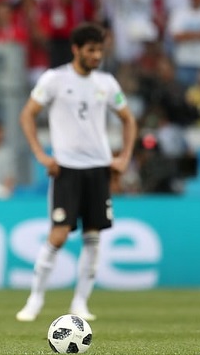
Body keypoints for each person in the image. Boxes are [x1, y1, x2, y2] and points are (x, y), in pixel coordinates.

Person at [16, 23, 137, 322]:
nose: (97, 56)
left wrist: (124, 158)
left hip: (99, 168)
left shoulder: (107, 83)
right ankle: (35, 299)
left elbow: (128, 119)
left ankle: (80, 302)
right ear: (76, 49)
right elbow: (27, 114)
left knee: (93, 238)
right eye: (91, 50)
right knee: (58, 236)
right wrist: (41, 154)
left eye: (100, 51)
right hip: (67, 169)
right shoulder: (54, 79)